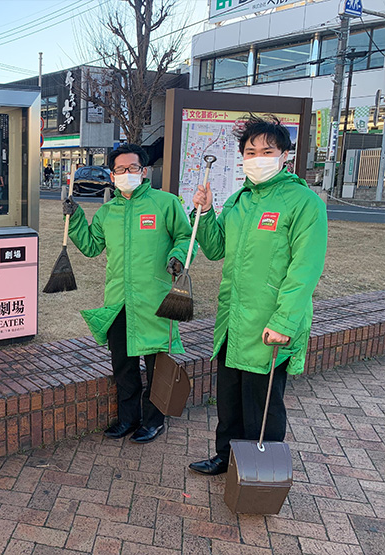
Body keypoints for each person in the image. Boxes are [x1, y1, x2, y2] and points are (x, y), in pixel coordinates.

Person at [188, 114, 327, 476]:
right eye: (251, 151)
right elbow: (216, 249)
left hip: (269, 323)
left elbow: (305, 270)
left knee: (262, 405)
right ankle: (227, 457)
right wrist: (204, 212)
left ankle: (262, 471)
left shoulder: (303, 203)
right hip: (234, 321)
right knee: (230, 399)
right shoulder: (239, 201)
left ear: (284, 155)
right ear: (242, 157)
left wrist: (284, 321)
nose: (258, 157)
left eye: (268, 150)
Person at [63, 143, 195, 443]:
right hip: (118, 301)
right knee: (123, 364)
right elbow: (92, 246)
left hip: (155, 299)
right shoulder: (108, 211)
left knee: (155, 365)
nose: (126, 174)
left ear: (144, 171)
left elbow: (186, 235)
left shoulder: (165, 203)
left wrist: (178, 255)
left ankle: (153, 421)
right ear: (112, 174)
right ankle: (127, 418)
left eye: (132, 168)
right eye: (120, 170)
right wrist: (75, 219)